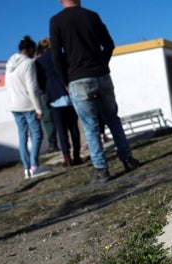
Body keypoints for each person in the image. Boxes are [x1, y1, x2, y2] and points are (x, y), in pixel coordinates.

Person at [50, 0, 140, 184]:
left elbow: (56, 56)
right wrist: (102, 65)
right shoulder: (92, 16)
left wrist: (65, 80)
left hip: (78, 78)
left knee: (90, 126)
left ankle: (101, 170)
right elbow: (109, 44)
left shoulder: (56, 21)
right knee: (113, 119)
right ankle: (128, 159)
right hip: (101, 74)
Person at [6, 35, 50, 180]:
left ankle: (26, 169)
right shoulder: (28, 64)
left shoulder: (10, 63)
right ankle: (34, 166)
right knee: (37, 135)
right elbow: (32, 87)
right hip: (28, 105)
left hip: (14, 105)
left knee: (22, 137)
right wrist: (38, 108)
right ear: (31, 49)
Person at [36, 37, 83, 167]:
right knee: (73, 127)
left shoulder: (40, 62)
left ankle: (67, 158)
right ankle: (77, 155)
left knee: (61, 130)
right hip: (69, 93)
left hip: (53, 96)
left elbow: (40, 81)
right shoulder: (63, 55)